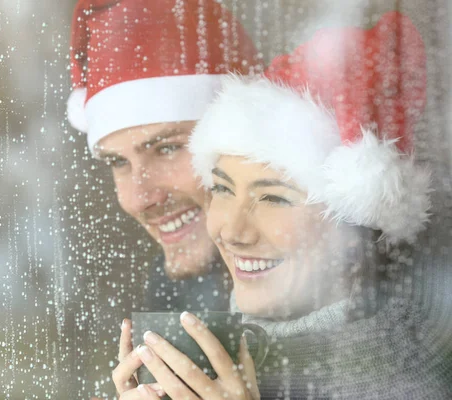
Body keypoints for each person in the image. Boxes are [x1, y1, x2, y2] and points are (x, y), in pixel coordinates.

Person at [114, 11, 450, 399]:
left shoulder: (405, 382)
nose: (232, 231)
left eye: (273, 197)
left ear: (357, 230)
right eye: (222, 189)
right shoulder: (203, 348)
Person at [67, 0, 259, 313]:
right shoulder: (173, 302)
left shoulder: (354, 287)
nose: (140, 198)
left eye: (167, 148)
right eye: (118, 162)